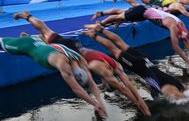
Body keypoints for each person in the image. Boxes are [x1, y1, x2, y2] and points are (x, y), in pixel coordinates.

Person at [13, 11, 151, 116]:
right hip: (72, 52)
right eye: (106, 85)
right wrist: (137, 104)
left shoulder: (115, 65)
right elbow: (122, 88)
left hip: (76, 45)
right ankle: (29, 28)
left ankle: (29, 20)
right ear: (107, 81)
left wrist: (140, 101)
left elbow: (127, 85)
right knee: (47, 39)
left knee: (46, 31)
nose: (104, 84)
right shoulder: (96, 68)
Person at [0, 35, 107, 118]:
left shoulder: (80, 59)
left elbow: (92, 82)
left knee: (36, 42)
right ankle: (24, 37)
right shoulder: (64, 65)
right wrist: (95, 104)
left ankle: (25, 36)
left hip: (38, 41)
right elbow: (77, 90)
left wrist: (100, 103)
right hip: (26, 45)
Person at [83, 23, 189, 100]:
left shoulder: (178, 85)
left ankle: (101, 29)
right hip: (139, 66)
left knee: (121, 43)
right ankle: (95, 35)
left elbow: (186, 93)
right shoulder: (168, 89)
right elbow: (179, 97)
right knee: (115, 50)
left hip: (146, 61)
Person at [92, 0, 189, 68]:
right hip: (142, 12)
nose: (177, 35)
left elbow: (186, 41)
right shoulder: (173, 25)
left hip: (146, 14)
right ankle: (100, 22)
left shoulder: (181, 24)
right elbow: (175, 46)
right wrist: (187, 60)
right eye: (178, 35)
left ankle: (106, 16)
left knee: (122, 15)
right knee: (118, 16)